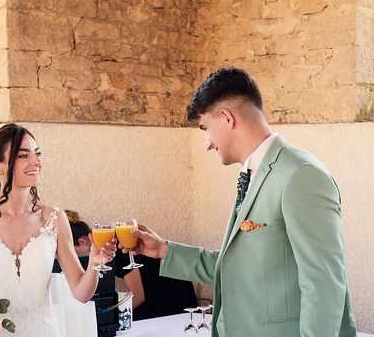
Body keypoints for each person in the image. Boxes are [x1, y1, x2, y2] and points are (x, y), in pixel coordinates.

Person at [125, 67, 357, 337]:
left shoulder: (301, 176)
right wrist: (165, 251)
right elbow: (237, 265)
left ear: (226, 118)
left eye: (206, 129)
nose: (207, 144)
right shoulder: (254, 173)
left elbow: (324, 284)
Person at [0, 123, 115, 337]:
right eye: (23, 156)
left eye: (36, 154)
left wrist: (94, 264)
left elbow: (81, 294)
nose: (35, 161)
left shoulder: (54, 219)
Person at [62, 210, 198, 321]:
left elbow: (138, 297)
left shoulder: (118, 248)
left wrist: (110, 316)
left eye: (74, 252)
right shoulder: (109, 247)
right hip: (159, 292)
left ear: (82, 242)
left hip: (173, 293)